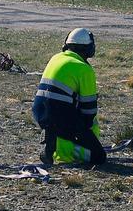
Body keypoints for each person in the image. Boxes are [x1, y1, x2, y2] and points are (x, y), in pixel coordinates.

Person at [31, 28, 106, 166]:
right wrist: (85, 134)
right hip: (59, 116)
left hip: (39, 113)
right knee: (99, 157)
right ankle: (65, 150)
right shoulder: (84, 69)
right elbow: (89, 111)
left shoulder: (56, 58)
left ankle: (52, 139)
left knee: (64, 118)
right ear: (89, 49)